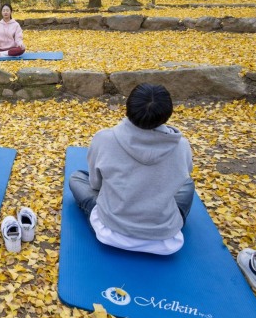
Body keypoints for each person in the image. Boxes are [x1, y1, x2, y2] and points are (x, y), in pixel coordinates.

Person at [68, 83, 195, 255]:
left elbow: (95, 184)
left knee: (76, 178)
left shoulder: (104, 138)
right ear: (167, 113)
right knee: (188, 184)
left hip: (111, 231)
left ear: (128, 108)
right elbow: (179, 182)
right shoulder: (182, 146)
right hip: (164, 237)